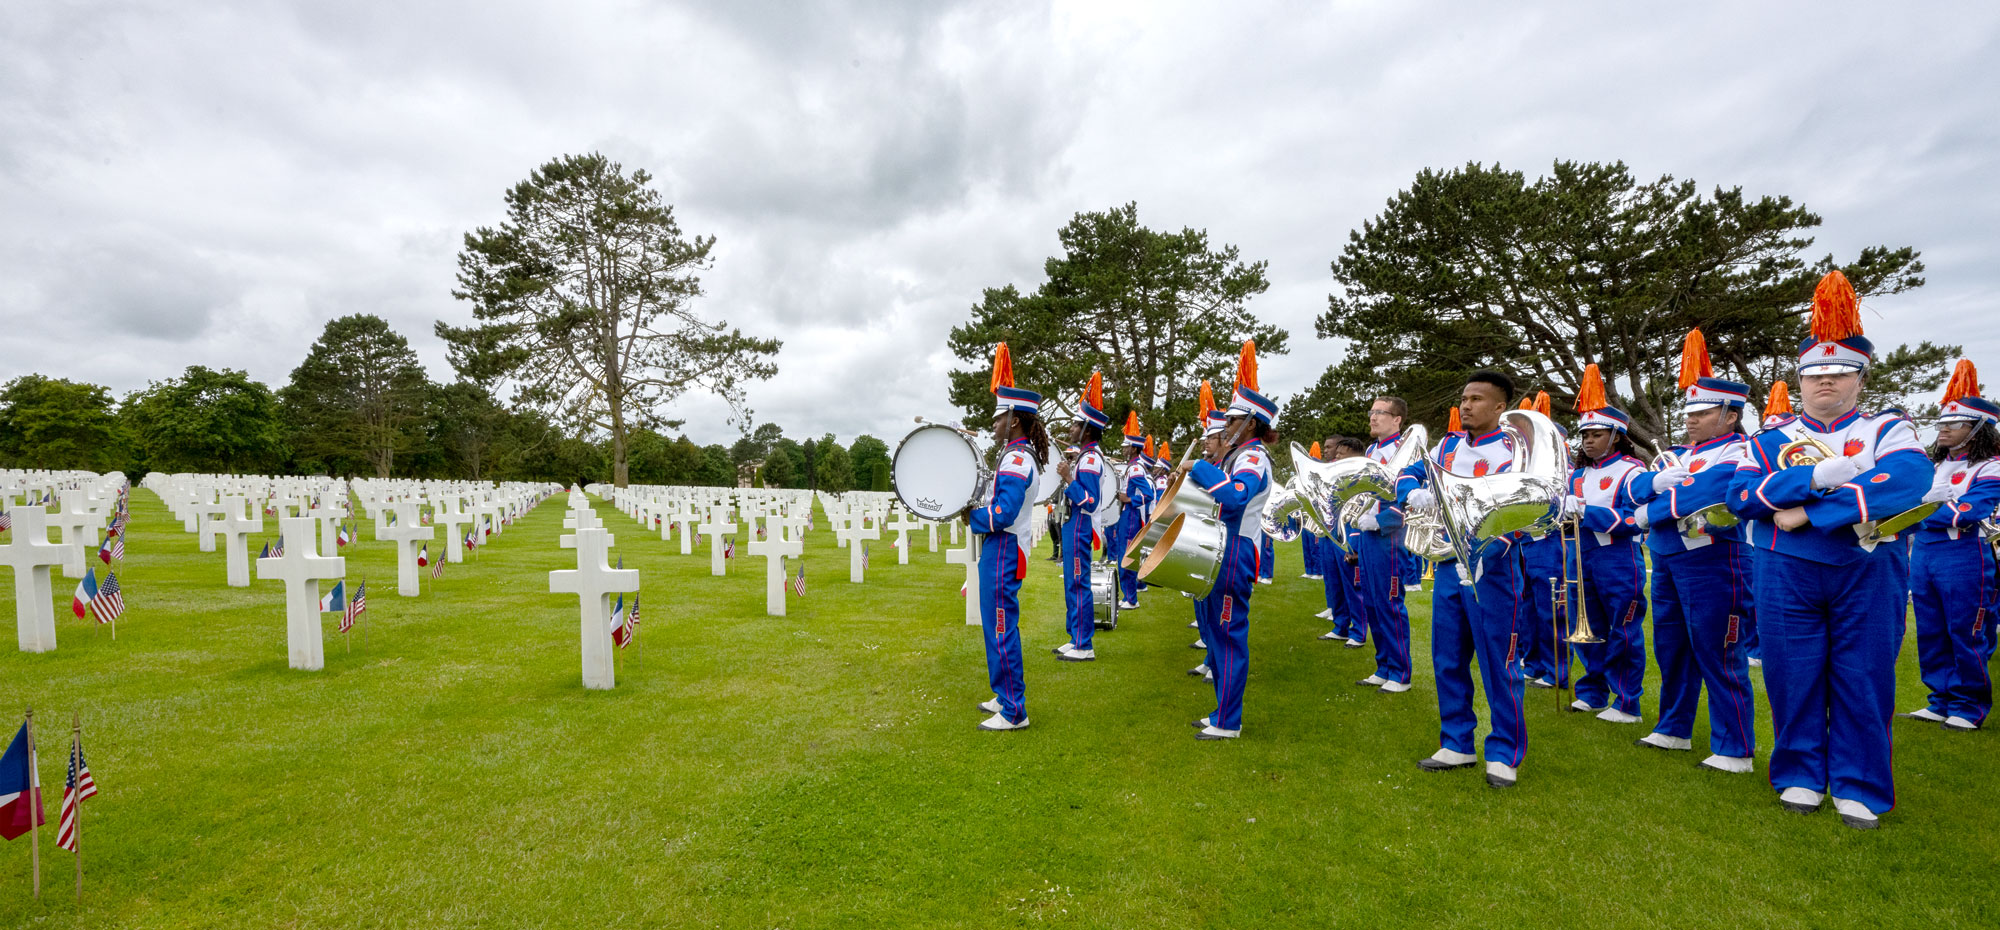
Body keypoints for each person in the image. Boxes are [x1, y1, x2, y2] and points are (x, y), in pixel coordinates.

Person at [1729, 270, 1932, 829]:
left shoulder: (1887, 428)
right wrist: (1819, 475)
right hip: (1783, 567)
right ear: (1799, 378)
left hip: (1867, 566)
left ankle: (1859, 782)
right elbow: (1742, 495)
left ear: (1860, 377)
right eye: (1814, 373)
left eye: (1839, 372)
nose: (1825, 381)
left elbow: (1910, 479)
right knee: (1791, 674)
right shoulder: (1768, 438)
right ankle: (1799, 773)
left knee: (1862, 674)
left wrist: (1807, 512)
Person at [1627, 330, 1758, 771]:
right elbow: (1635, 488)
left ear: (1730, 413)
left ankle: (1735, 747)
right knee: (1673, 646)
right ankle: (1674, 727)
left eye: (1702, 412)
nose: (1691, 420)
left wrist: (1652, 510)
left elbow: (1712, 490)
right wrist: (1652, 492)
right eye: (1689, 412)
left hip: (1713, 558)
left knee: (1719, 650)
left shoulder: (1741, 449)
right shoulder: (1680, 453)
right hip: (1667, 555)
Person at [1399, 370, 1531, 787]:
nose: (1467, 405)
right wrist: (1411, 493)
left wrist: (1493, 543)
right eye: (1464, 398)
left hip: (1494, 565)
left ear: (1499, 407)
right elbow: (1408, 473)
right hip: (1447, 562)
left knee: (1499, 661)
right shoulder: (1448, 445)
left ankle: (1504, 752)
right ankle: (1456, 742)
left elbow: (1529, 505)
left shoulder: (1516, 450)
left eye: (1477, 399)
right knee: (1448, 657)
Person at [1903, 360, 2000, 730]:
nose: (1942, 430)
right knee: (1930, 629)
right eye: (1941, 423)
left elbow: (1968, 511)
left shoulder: (1991, 466)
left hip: (1962, 553)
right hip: (1925, 551)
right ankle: (1939, 699)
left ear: (1976, 429)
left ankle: (1969, 706)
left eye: (1953, 424)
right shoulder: (1934, 464)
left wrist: (1920, 513)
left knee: (1966, 629)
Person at [1187, 341, 1277, 739]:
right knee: (1214, 629)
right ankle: (1222, 710)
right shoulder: (1237, 454)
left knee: (1228, 633)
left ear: (1250, 424)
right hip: (1219, 547)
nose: (1224, 427)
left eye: (1233, 419)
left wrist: (1202, 470)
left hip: (1235, 550)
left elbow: (1236, 496)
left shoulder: (1253, 457)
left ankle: (1228, 720)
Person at [1563, 365, 1649, 725]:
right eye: (1584, 435)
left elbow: (1635, 520)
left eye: (1596, 434)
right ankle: (1592, 691)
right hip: (1579, 556)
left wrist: (1587, 512)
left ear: (1615, 436)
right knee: (1586, 627)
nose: (1588, 441)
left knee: (1622, 629)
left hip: (1615, 556)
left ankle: (1627, 701)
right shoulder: (1577, 474)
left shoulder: (1633, 470)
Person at [969, 343, 1047, 731]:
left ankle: (1016, 710)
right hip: (1000, 552)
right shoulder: (1014, 453)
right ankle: (1004, 695)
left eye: (999, 416)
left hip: (1003, 551)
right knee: (994, 624)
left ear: (1015, 419)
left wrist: (973, 516)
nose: (994, 423)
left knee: (1001, 626)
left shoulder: (1017, 458)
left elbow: (1004, 513)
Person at [1353, 398, 1416, 693]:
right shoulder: (1371, 450)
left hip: (1387, 537)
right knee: (1371, 602)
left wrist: (1381, 522)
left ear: (1397, 420)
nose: (1373, 417)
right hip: (1366, 534)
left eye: (1381, 413)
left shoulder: (1403, 450)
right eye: (1372, 412)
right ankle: (1383, 665)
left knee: (1390, 602)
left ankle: (1401, 672)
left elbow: (1411, 499)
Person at [1056, 372, 1114, 662]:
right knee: (1071, 581)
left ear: (1088, 430)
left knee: (1079, 582)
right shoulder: (1084, 456)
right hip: (1072, 524)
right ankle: (1074, 635)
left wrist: (1068, 478)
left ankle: (1084, 643)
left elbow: (1089, 502)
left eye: (1076, 424)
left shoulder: (1090, 460)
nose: (1071, 428)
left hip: (1080, 525)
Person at [1516, 393, 1571, 691]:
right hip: (1526, 542)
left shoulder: (1567, 474)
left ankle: (1556, 670)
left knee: (1552, 608)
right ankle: (1533, 662)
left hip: (1550, 542)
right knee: (1527, 608)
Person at [1189, 407, 1231, 682]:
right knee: (1202, 601)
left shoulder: (1223, 467)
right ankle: (1210, 657)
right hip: (1204, 537)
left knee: (1217, 611)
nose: (1206, 441)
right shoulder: (1213, 466)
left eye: (1212, 437)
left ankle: (1216, 661)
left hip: (1221, 541)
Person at [1319, 436, 1367, 647]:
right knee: (1334, 583)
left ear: (1355, 457)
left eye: (1341, 453)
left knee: (1353, 587)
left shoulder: (1362, 480)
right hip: (1331, 536)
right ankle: (1340, 626)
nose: (1336, 456)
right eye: (1336, 453)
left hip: (1349, 537)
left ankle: (1358, 632)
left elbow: (1362, 512)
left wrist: (1355, 545)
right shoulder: (1334, 477)